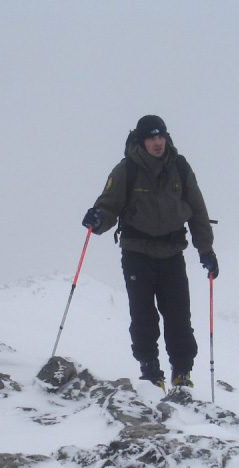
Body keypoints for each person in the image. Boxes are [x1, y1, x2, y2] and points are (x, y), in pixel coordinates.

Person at [82, 115, 217, 389]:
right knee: (143, 316)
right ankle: (150, 371)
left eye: (161, 136)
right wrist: (98, 220)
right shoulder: (126, 170)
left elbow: (197, 211)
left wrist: (206, 249)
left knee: (179, 315)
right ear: (141, 141)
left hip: (172, 252)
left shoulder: (179, 167)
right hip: (137, 253)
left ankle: (182, 372)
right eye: (152, 138)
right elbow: (108, 206)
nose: (158, 142)